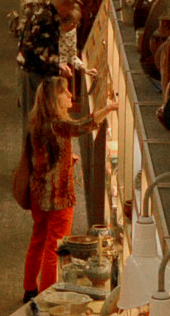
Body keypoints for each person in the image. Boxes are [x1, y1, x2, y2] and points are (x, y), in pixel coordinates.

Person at [20, 75, 113, 300]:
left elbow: (42, 158)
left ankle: (29, 288)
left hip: (39, 194)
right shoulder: (59, 124)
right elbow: (83, 125)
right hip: (59, 197)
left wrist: (65, 160)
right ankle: (47, 295)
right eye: (65, 92)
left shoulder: (38, 123)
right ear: (54, 99)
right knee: (55, 247)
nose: (71, 95)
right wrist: (108, 109)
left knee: (38, 240)